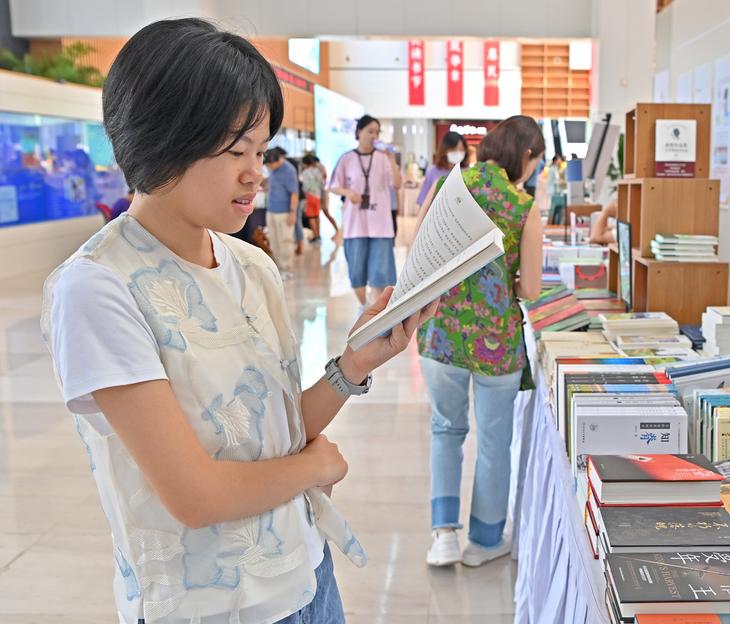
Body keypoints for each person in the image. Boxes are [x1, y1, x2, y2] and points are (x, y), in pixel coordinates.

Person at [41, 18, 438, 624]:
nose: (257, 171)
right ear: (164, 138)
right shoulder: (98, 287)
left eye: (259, 149)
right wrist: (314, 467)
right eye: (236, 152)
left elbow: (273, 432)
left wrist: (354, 364)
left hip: (308, 576)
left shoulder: (251, 266)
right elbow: (194, 495)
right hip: (211, 608)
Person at [415, 115, 544, 568]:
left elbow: (417, 252)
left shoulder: (448, 186)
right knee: (493, 442)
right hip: (497, 343)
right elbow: (531, 288)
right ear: (526, 154)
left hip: (442, 334)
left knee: (446, 431)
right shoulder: (522, 205)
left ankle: (443, 536)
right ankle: (485, 542)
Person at [328, 115, 401, 308]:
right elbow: (333, 186)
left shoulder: (383, 159)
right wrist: (348, 193)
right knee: (357, 274)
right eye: (370, 131)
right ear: (359, 132)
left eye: (376, 132)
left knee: (381, 275)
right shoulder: (347, 158)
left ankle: (377, 314)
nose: (373, 136)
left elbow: (397, 184)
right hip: (355, 226)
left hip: (381, 226)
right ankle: (364, 307)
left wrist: (392, 160)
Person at [264, 146, 299, 273]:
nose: (268, 167)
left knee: (285, 241)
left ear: (278, 160)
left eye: (270, 165)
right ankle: (278, 268)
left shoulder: (289, 170)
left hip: (284, 212)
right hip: (271, 210)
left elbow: (294, 193)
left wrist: (293, 213)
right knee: (274, 240)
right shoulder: (272, 169)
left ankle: (287, 268)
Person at [416, 131, 469, 208]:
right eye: (453, 149)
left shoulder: (468, 172)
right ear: (444, 150)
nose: (458, 153)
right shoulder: (432, 172)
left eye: (461, 149)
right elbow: (423, 201)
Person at [300, 154, 323, 244]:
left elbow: (305, 187)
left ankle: (315, 236)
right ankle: (319, 235)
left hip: (309, 196)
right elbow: (321, 183)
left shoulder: (305, 172)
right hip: (317, 196)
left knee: (311, 217)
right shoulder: (317, 171)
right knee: (316, 216)